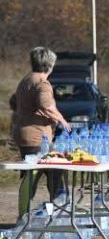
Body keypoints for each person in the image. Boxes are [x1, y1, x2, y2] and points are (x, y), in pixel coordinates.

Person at [9, 47, 71, 218]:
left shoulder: (26, 79)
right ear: (50, 65)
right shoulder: (42, 83)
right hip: (36, 136)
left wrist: (25, 112)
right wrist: (61, 119)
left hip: (24, 132)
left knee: (31, 175)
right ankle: (57, 210)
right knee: (53, 171)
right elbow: (46, 105)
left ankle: (26, 214)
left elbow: (13, 101)